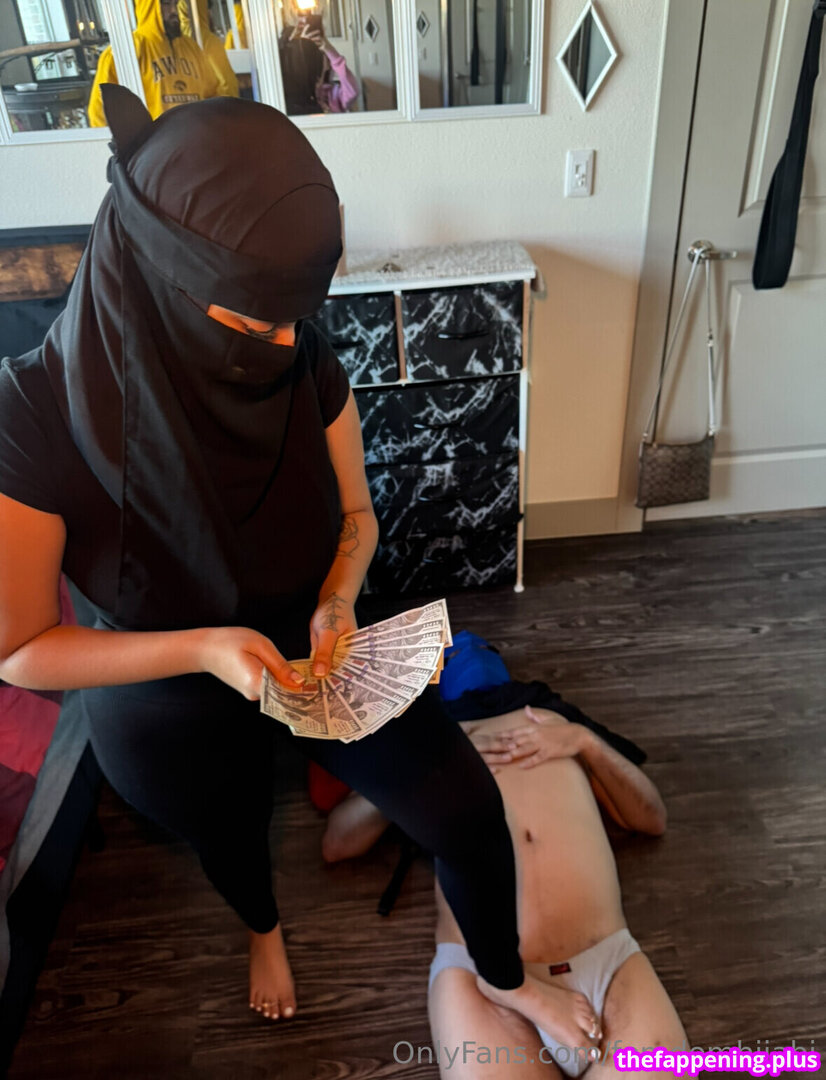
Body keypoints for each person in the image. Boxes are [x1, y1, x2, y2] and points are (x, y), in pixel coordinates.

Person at [0, 88, 599, 1048]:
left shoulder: (297, 352)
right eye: (259, 322)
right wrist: (207, 650)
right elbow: (23, 647)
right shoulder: (31, 416)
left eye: (296, 318)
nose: (287, 346)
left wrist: (337, 599)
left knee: (463, 808)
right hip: (158, 671)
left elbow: (356, 515)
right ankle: (262, 928)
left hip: (312, 642)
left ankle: (506, 976)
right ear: (162, 281)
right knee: (227, 829)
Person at [323, 705, 688, 1077]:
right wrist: (423, 768)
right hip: (480, 978)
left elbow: (652, 818)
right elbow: (337, 843)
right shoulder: (417, 733)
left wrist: (586, 741)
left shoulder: (553, 717)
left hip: (607, 964)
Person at [87, 0, 222, 126]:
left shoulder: (192, 48)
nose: (174, 11)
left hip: (195, 139)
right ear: (149, 7)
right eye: (166, 4)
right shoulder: (127, 50)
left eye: (176, 3)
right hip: (155, 142)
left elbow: (214, 94)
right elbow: (100, 111)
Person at [278, 15, 359, 115]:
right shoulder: (288, 97)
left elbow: (352, 91)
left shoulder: (331, 96)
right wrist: (294, 46)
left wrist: (329, 50)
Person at [178, 0, 240, 99]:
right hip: (214, 105)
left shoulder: (176, 43)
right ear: (202, 9)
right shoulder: (208, 40)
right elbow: (227, 82)